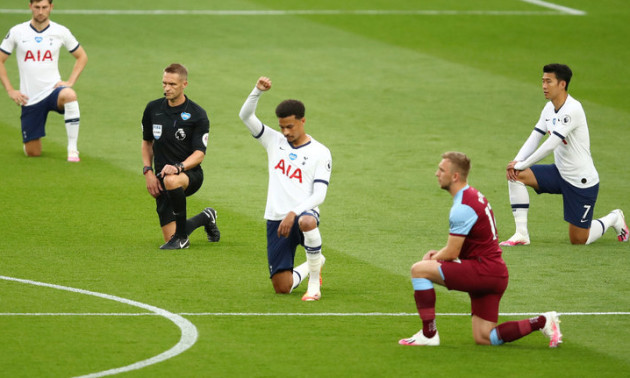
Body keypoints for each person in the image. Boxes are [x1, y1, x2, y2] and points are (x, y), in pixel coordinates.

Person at [399, 152, 562, 347]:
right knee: (485, 337)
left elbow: (452, 253)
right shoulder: (473, 195)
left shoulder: (462, 206)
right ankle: (542, 321)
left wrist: (432, 258)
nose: (436, 174)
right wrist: (437, 257)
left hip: (482, 271)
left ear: (455, 176)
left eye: (441, 170)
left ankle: (428, 334)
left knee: (419, 269)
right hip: (495, 273)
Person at [501, 63, 628, 246]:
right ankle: (521, 234)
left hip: (581, 181)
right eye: (543, 81)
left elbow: (550, 145)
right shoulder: (548, 109)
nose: (544, 86)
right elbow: (535, 137)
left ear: (562, 84)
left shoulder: (573, 109)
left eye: (549, 81)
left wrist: (521, 164)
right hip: (560, 173)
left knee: (578, 240)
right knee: (516, 176)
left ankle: (613, 218)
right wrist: (517, 162)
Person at [239, 76, 332, 301]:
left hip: (302, 215)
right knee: (282, 288)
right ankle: (316, 262)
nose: (286, 132)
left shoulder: (320, 152)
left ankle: (313, 284)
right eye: (282, 127)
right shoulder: (274, 141)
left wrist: (294, 212)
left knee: (307, 221)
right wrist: (257, 91)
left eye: (290, 126)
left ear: (303, 121)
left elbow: (319, 195)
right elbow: (245, 116)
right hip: (275, 218)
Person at [141, 63, 220, 250]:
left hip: (189, 175)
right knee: (170, 236)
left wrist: (178, 167)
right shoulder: (153, 109)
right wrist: (148, 172)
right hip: (161, 178)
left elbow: (199, 154)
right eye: (164, 83)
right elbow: (147, 143)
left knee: (171, 180)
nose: (167, 88)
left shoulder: (197, 114)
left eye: (172, 84)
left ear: (184, 84)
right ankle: (206, 216)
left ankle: (182, 238)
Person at [0, 0, 88, 161]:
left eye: (44, 7)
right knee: (33, 153)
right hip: (30, 98)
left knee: (69, 95)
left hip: (53, 90)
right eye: (37, 7)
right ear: (30, 7)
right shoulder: (17, 31)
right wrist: (10, 90)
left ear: (51, 8)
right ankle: (29, 141)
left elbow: (82, 56)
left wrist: (70, 81)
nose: (41, 11)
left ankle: (73, 149)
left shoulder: (60, 31)